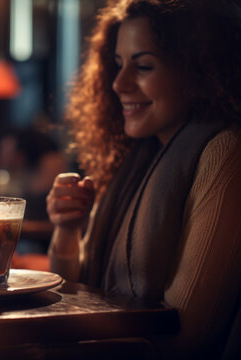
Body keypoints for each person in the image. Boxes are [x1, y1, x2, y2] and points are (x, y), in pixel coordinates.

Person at [46, 0, 241, 358]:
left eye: (144, 66)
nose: (119, 83)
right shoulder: (134, 158)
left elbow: (187, 337)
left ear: (198, 71)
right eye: (117, 65)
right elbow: (71, 290)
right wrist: (67, 230)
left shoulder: (224, 153)